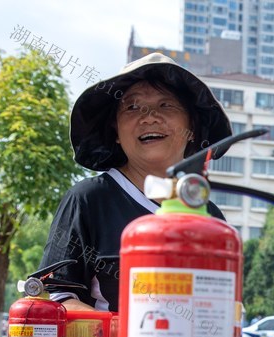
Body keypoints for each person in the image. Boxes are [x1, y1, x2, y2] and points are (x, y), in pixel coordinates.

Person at [39, 52, 232, 312]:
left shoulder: (210, 217)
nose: (149, 117)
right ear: (116, 132)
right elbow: (57, 299)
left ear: (192, 128)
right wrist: (134, 332)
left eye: (166, 106)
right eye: (132, 107)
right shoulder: (89, 199)